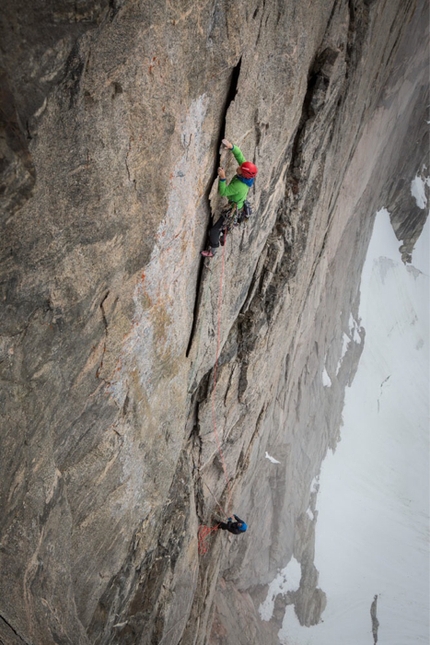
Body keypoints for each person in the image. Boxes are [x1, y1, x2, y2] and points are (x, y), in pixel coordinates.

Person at [201, 139, 258, 258]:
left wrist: (222, 178)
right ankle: (224, 233)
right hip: (239, 206)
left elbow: (223, 192)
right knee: (225, 226)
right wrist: (232, 147)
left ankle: (213, 250)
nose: (239, 166)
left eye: (241, 168)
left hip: (233, 210)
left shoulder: (239, 185)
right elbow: (239, 156)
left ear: (243, 173)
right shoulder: (245, 176)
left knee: (214, 231)